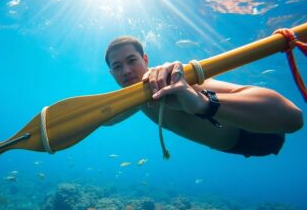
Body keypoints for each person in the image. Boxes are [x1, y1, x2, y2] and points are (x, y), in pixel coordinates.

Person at [104, 36, 303, 157]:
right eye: (117, 66)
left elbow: (293, 117)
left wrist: (202, 104)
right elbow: (108, 119)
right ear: (111, 74)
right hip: (237, 147)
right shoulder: (133, 101)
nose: (127, 70)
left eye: (132, 60)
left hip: (259, 128)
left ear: (145, 59)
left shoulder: (176, 80)